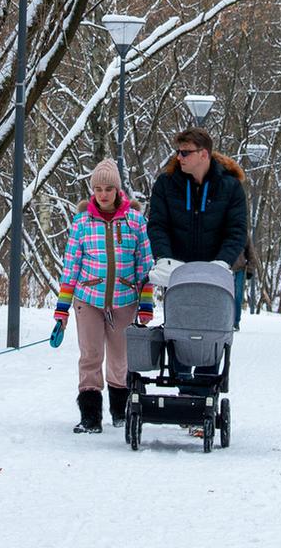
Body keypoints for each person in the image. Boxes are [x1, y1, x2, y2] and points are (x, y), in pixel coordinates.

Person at [51, 158, 154, 434]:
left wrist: (145, 304)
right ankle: (90, 416)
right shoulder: (82, 222)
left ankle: (119, 412)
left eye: (108, 188)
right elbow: (70, 267)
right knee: (90, 356)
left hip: (124, 301)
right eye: (98, 189)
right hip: (88, 300)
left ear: (117, 190)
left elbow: (145, 265)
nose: (103, 194)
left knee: (120, 359)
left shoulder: (134, 220)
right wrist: (62, 311)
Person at [147, 128, 247, 289]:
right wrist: (164, 258)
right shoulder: (166, 184)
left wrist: (222, 262)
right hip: (177, 273)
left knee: (220, 314)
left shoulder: (230, 187)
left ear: (204, 154)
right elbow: (158, 225)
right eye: (178, 152)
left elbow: (237, 230)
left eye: (186, 153)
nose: (179, 157)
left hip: (217, 275)